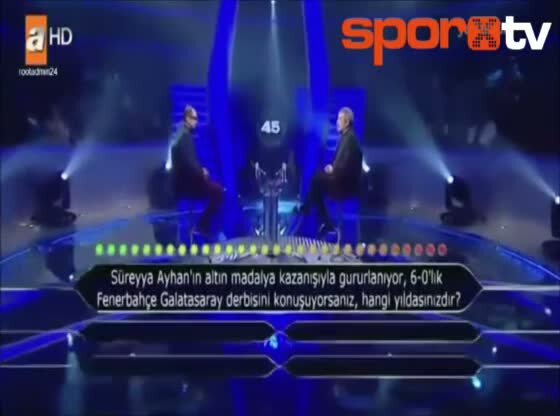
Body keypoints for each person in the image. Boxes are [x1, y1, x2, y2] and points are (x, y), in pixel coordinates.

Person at [295, 107, 363, 234]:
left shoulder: (349, 139)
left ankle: (312, 211)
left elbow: (345, 165)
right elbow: (341, 162)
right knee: (317, 185)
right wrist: (332, 168)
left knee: (316, 179)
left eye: (340, 119)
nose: (337, 122)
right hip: (341, 179)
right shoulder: (346, 137)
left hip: (345, 184)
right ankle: (324, 220)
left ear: (347, 122)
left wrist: (332, 169)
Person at [171, 105, 224, 238]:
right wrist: (202, 172)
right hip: (187, 184)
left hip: (182, 181)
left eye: (197, 118)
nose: (196, 122)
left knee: (212, 185)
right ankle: (202, 226)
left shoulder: (181, 134)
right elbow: (189, 164)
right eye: (194, 118)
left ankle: (203, 226)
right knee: (218, 192)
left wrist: (201, 170)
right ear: (187, 118)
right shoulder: (185, 137)